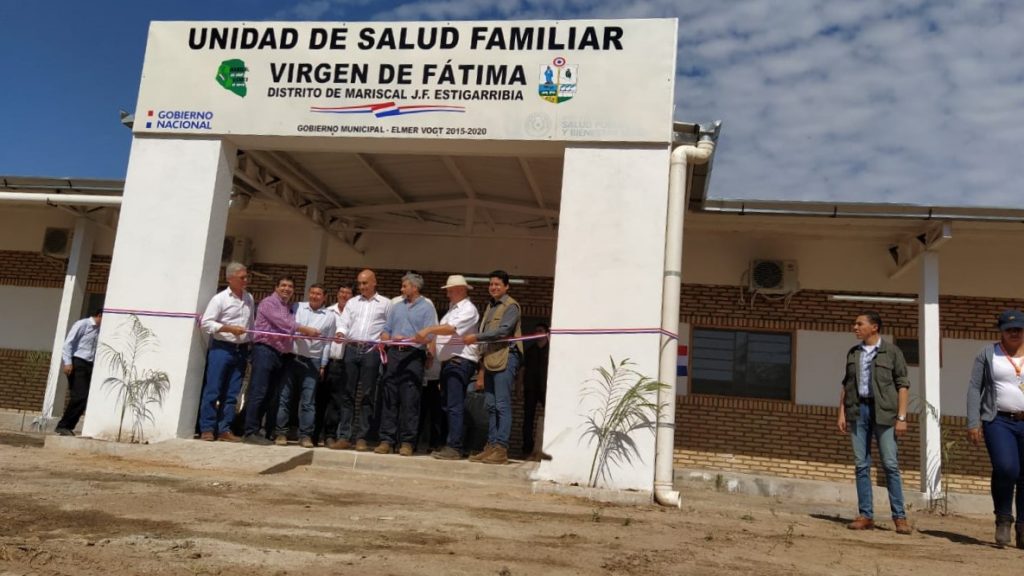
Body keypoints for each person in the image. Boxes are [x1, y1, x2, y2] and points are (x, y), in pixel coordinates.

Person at [837, 311, 911, 535]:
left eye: (860, 324)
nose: (855, 327)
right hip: (858, 412)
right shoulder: (854, 353)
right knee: (861, 465)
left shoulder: (892, 352)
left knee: (890, 464)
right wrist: (841, 413)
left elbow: (903, 385)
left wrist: (902, 417)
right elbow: (846, 384)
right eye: (855, 324)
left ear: (874, 327)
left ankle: (899, 517)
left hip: (885, 414)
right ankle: (865, 515)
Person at [967, 309, 1024, 548]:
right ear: (1000, 330)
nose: (1014, 332)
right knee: (1006, 468)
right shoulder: (988, 353)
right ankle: (1003, 517)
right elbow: (973, 388)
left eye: (1019, 328)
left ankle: (1022, 526)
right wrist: (973, 422)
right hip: (998, 420)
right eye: (1009, 329)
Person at [243, 276, 319, 445]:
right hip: (264, 350)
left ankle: (258, 431)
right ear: (276, 287)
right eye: (283, 285)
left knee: (270, 394)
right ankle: (249, 432)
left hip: (279, 354)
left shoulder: (288, 308)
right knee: (259, 392)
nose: (286, 289)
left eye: (290, 286)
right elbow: (283, 324)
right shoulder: (269, 303)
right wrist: (305, 329)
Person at [415, 274, 480, 460]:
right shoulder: (452, 310)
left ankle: (456, 446)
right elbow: (441, 334)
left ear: (460, 290)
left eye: (450, 290)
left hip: (459, 361)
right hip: (449, 362)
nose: (448, 294)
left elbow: (451, 329)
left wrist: (428, 330)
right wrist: (432, 352)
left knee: (454, 405)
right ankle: (455, 443)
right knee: (448, 404)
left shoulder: (468, 309)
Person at [463, 270, 523, 465]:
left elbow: (504, 331)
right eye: (491, 284)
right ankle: (491, 445)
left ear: (506, 286)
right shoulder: (490, 306)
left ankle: (501, 448)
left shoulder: (511, 306)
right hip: (490, 359)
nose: (493, 287)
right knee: (490, 404)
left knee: (502, 405)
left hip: (506, 358)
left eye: (497, 284)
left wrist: (476, 338)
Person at [377, 272, 438, 456]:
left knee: (410, 399)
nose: (401, 289)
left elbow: (429, 335)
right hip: (394, 354)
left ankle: (407, 442)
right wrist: (385, 338)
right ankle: (386, 440)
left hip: (413, 355)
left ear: (415, 287)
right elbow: (386, 329)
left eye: (405, 286)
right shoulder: (396, 307)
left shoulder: (427, 308)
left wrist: (408, 339)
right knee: (390, 396)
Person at [334, 269, 391, 451]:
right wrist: (340, 332)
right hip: (351, 349)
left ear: (374, 283)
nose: (361, 287)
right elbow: (344, 322)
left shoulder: (386, 303)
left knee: (367, 395)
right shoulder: (352, 302)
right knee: (347, 393)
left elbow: (388, 326)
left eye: (365, 283)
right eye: (359, 283)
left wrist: (385, 336)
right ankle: (344, 436)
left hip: (371, 351)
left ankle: (362, 437)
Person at [197, 262, 254, 442]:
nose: (246, 280)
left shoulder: (249, 298)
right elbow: (206, 323)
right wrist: (228, 328)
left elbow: (250, 325)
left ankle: (224, 429)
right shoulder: (220, 299)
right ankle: (207, 428)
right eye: (242, 277)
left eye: (247, 277)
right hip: (222, 349)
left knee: (232, 392)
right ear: (230, 279)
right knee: (213, 390)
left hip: (241, 350)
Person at [274, 284, 336, 448]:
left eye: (319, 294)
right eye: (312, 293)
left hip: (313, 361)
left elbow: (327, 344)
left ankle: (305, 436)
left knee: (308, 401)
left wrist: (323, 364)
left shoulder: (330, 316)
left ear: (324, 297)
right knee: (285, 397)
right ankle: (281, 433)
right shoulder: (297, 307)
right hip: (292, 357)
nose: (315, 296)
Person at [54, 309, 103, 436]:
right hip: (78, 362)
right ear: (99, 315)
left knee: (84, 397)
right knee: (80, 395)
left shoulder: (100, 330)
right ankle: (63, 425)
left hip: (90, 364)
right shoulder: (83, 324)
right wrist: (68, 362)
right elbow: (68, 344)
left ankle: (67, 426)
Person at [319, 283, 353, 447]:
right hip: (325, 361)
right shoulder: (328, 311)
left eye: (347, 293)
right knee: (319, 398)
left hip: (343, 363)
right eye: (342, 291)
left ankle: (330, 435)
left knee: (336, 401)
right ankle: (314, 434)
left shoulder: (354, 315)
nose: (344, 295)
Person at [521, 323, 550, 459]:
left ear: (546, 332)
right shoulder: (530, 350)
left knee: (549, 417)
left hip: (546, 389)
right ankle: (527, 449)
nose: (537, 333)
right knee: (528, 419)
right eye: (536, 330)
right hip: (530, 387)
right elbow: (522, 369)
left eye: (540, 330)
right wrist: (518, 386)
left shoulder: (551, 351)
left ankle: (546, 447)